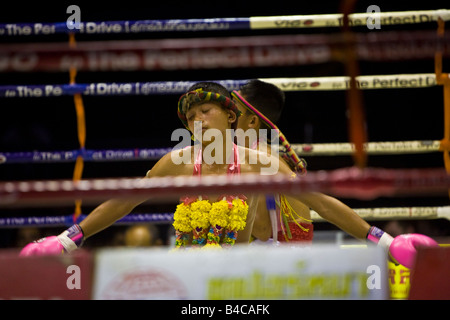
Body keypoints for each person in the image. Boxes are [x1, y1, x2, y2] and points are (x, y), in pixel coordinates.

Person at [20, 81, 438, 269]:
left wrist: (383, 239)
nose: (198, 119)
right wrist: (65, 239)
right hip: (192, 269)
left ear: (230, 117)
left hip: (246, 271)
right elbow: (125, 200)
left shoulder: (257, 161)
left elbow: (319, 202)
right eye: (191, 115)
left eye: (207, 111)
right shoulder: (179, 162)